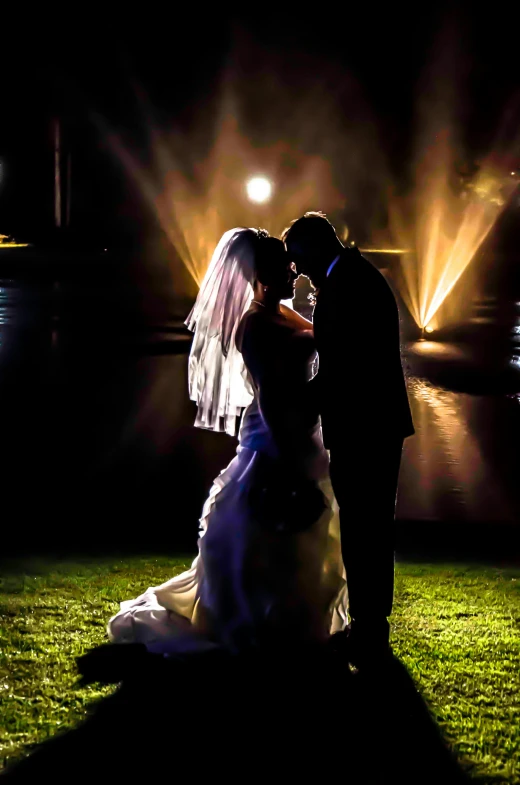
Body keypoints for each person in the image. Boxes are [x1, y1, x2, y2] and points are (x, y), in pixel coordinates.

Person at [108, 228, 347, 654]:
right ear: (260, 274)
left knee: (298, 540)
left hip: (302, 428)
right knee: (269, 529)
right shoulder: (254, 326)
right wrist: (290, 460)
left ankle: (293, 622)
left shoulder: (284, 313)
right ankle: (257, 623)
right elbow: (273, 400)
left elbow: (320, 336)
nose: (294, 272)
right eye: (283, 267)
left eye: (292, 265)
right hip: (278, 438)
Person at [282, 212, 414, 664]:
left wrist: (294, 404)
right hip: (371, 424)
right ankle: (369, 627)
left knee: (366, 530)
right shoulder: (353, 277)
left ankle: (370, 631)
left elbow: (344, 367)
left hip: (366, 427)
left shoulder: (349, 284)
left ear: (316, 247)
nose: (297, 271)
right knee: (368, 529)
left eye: (298, 258)